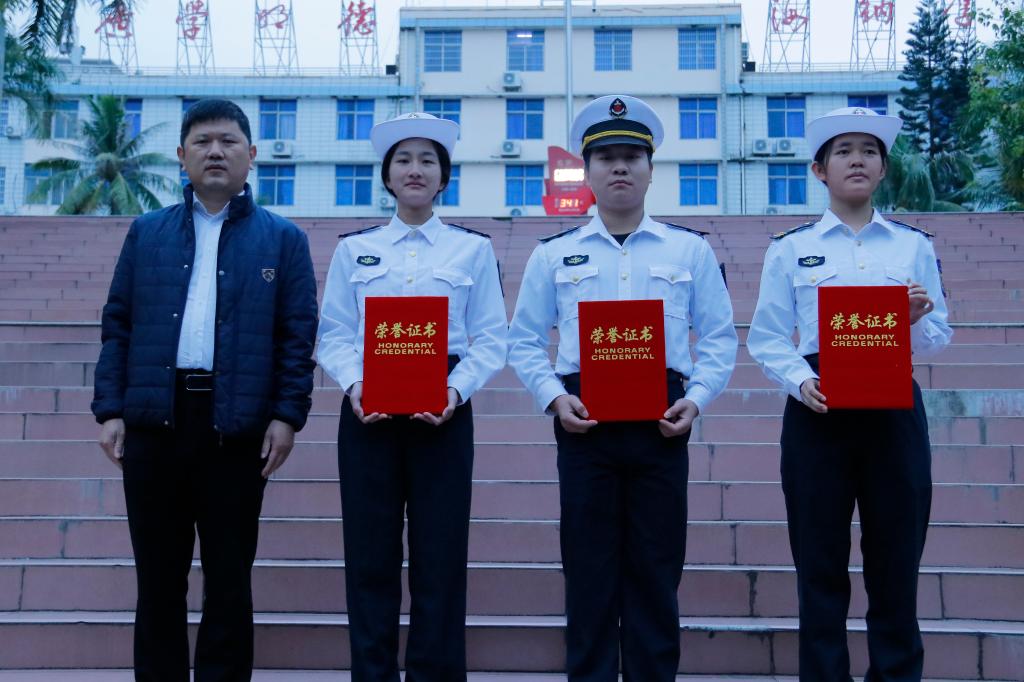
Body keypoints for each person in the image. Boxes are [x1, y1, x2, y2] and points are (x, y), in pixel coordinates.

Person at [507, 95, 738, 681]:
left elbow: (718, 338)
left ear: (651, 169)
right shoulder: (554, 254)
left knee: (656, 572)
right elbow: (524, 340)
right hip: (584, 422)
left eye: (632, 157)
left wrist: (697, 399)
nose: (619, 167)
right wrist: (554, 398)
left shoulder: (690, 250)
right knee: (588, 574)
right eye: (606, 157)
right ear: (586, 172)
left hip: (663, 421)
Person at [92, 98, 318, 681]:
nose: (215, 152)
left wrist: (287, 415)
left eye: (228, 141)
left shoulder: (283, 240)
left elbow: (297, 336)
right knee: (158, 579)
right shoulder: (147, 233)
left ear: (252, 154)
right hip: (155, 422)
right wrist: (110, 409)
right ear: (181, 155)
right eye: (202, 142)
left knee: (229, 578)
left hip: (236, 428)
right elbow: (118, 323)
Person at [746, 106, 953, 681]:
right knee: (819, 565)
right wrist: (801, 381)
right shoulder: (790, 248)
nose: (857, 160)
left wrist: (913, 320)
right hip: (819, 409)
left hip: (893, 409)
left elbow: (939, 335)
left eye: (869, 151)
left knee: (896, 563)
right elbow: (767, 336)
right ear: (820, 170)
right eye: (844, 151)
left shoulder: (912, 246)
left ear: (883, 169)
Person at [316, 112, 508, 681]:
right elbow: (334, 333)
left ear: (444, 176)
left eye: (428, 160)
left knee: (440, 557)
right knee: (369, 558)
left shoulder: (471, 250)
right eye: (403, 160)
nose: (415, 169)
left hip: (443, 410)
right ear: (387, 176)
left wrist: (456, 389)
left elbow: (491, 338)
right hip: (368, 411)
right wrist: (355, 383)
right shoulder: (356, 250)